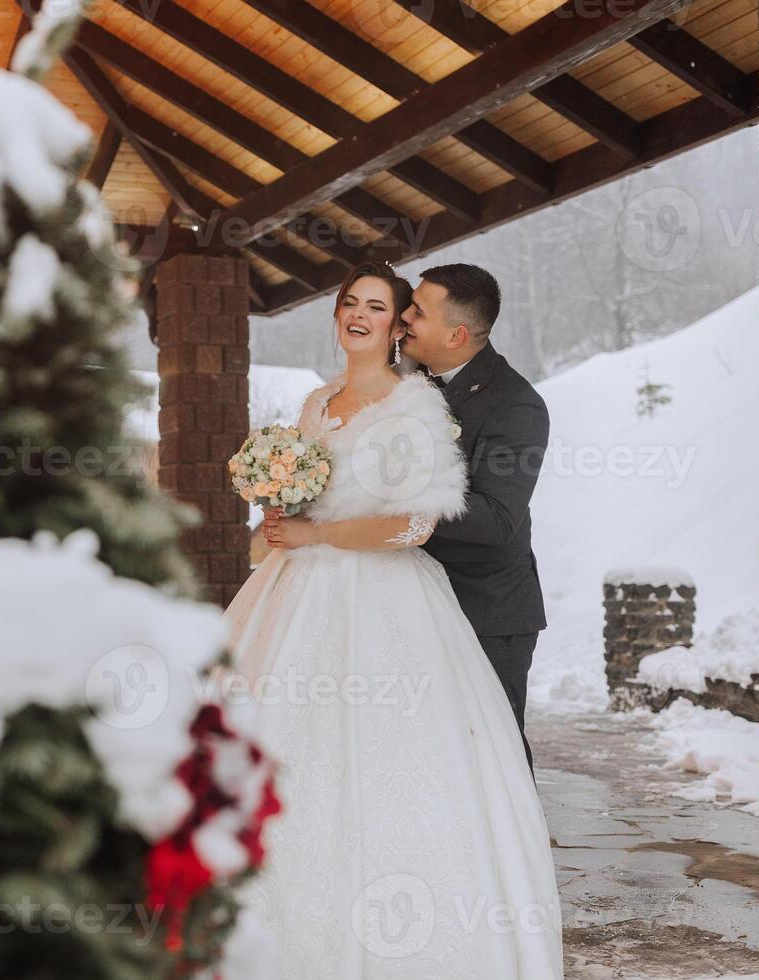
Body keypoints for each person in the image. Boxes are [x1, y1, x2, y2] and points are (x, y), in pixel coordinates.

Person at [224, 262, 562, 978]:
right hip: (313, 588)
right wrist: (288, 506)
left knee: (477, 765)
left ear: (452, 330)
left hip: (464, 601)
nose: (390, 321)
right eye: (354, 303)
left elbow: (486, 520)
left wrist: (348, 528)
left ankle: (487, 898)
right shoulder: (322, 403)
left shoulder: (488, 404)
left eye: (398, 310)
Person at [401, 263, 550, 770]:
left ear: (456, 334)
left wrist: (389, 501)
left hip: (487, 611)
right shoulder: (407, 381)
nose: (404, 317)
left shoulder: (517, 406)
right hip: (412, 599)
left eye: (417, 311)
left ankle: (519, 853)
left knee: (494, 755)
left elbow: (495, 518)